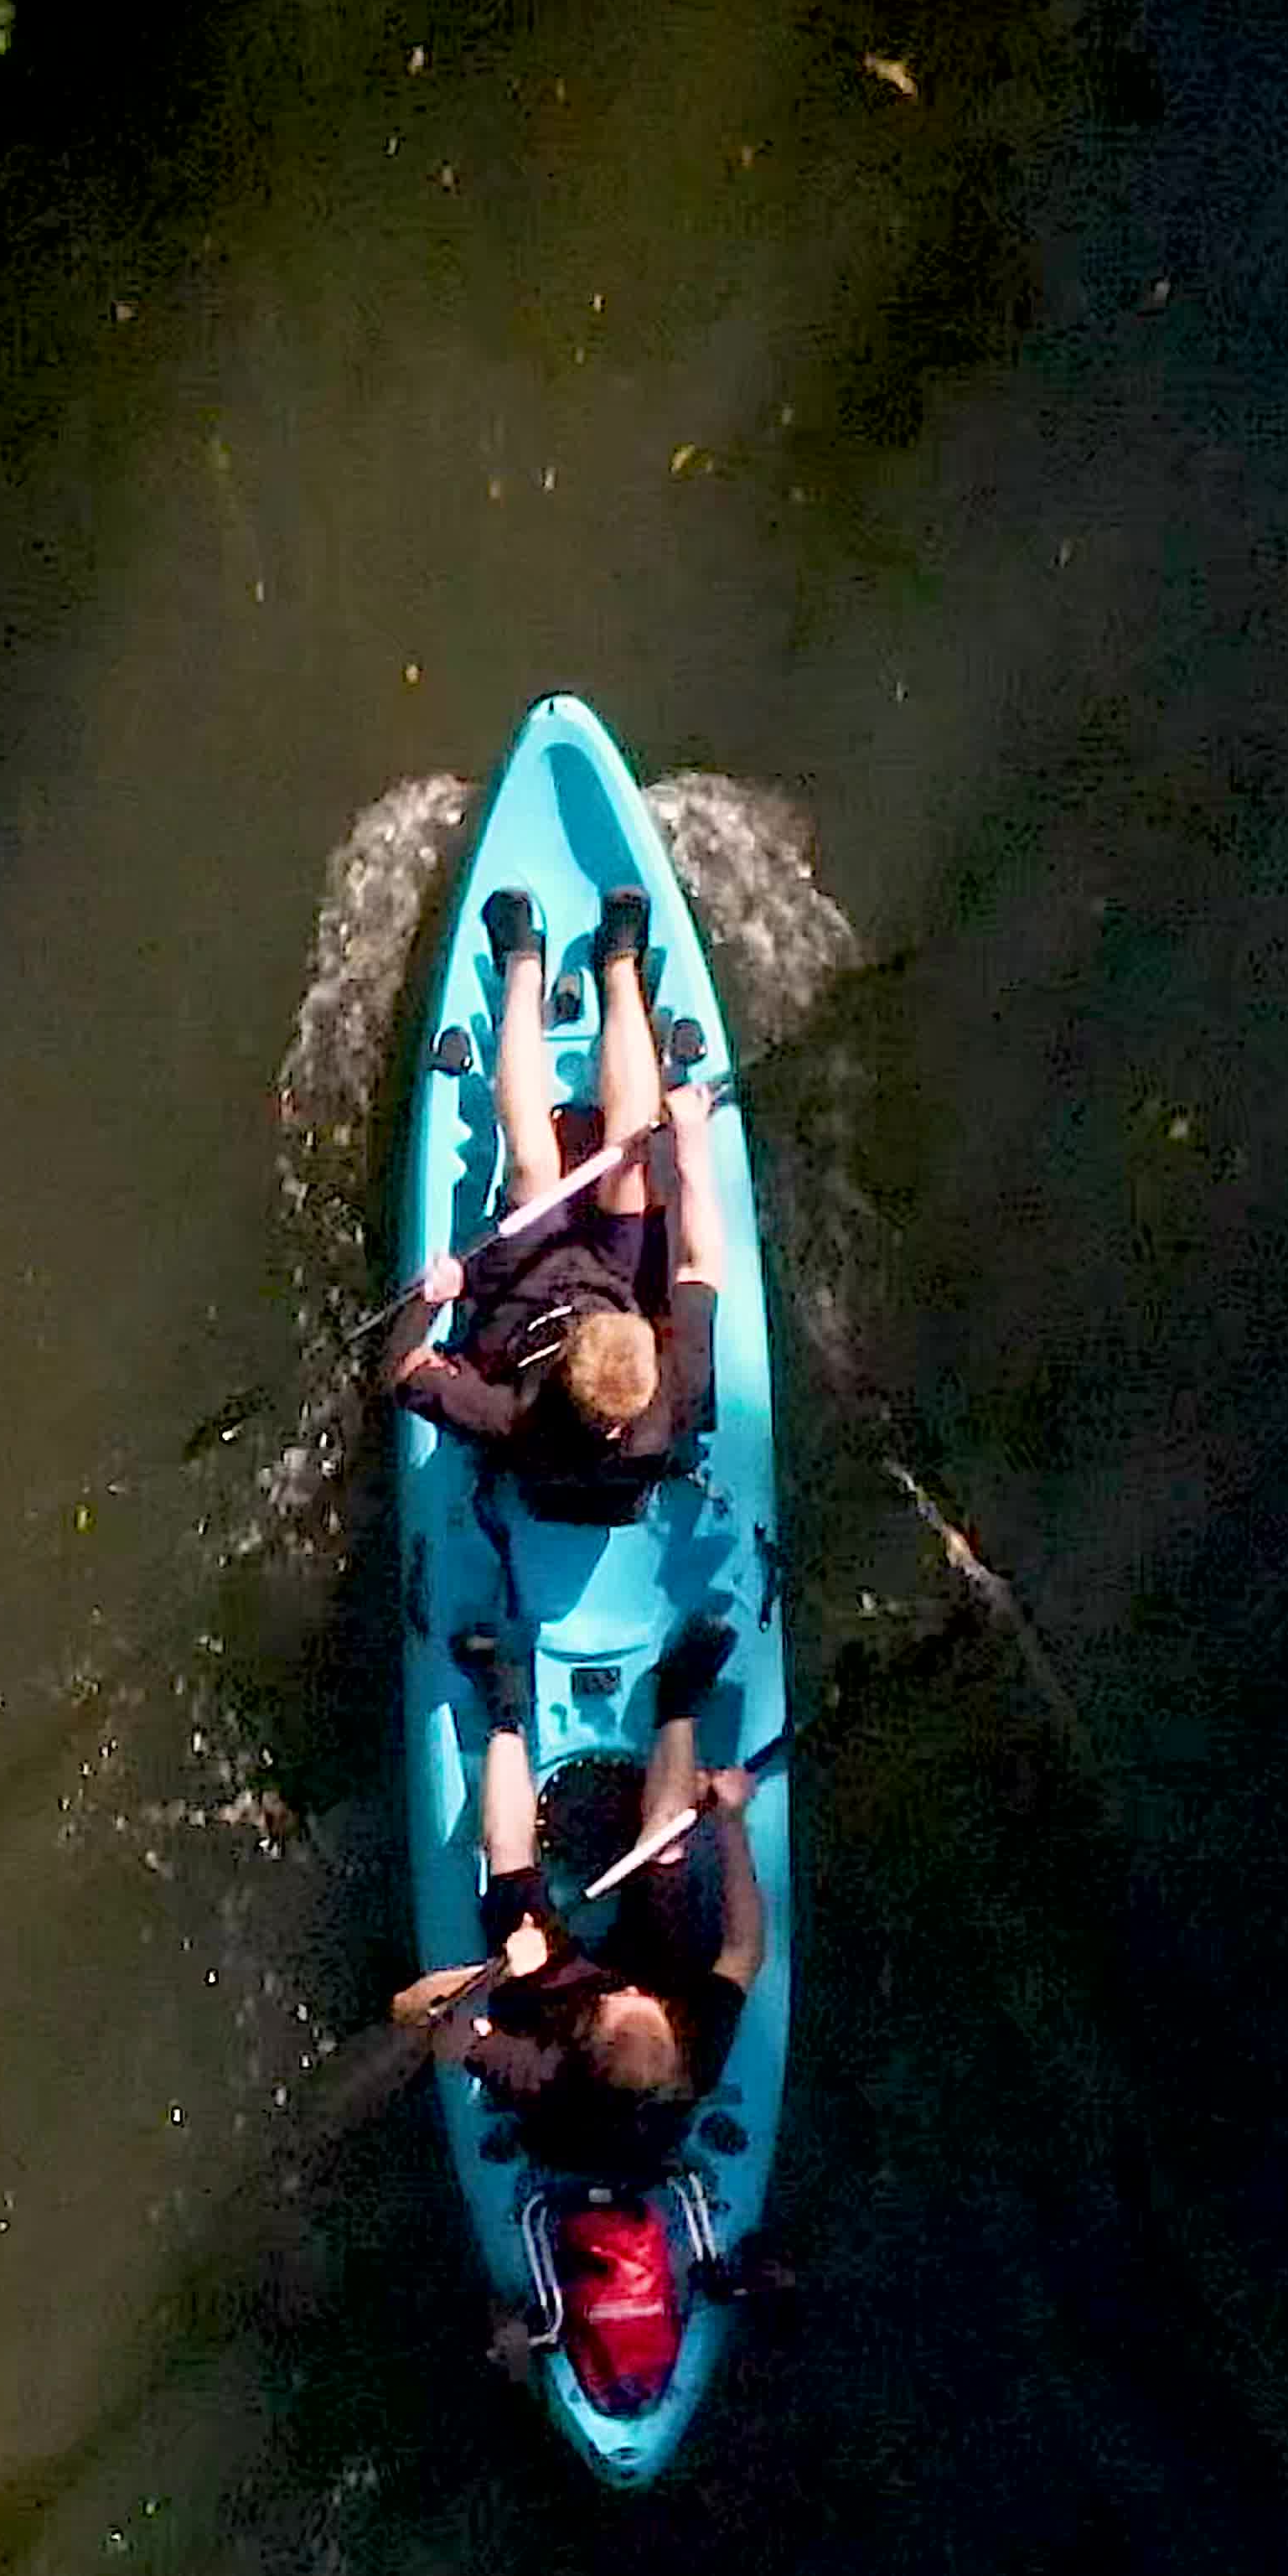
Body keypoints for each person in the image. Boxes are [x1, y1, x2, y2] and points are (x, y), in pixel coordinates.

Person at [381, 884, 725, 1523]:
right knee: (630, 1151)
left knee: (534, 1167)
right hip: (619, 1279)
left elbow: (403, 1371)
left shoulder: (518, 1419)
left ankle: (522, 963)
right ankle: (618, 966)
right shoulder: (677, 1390)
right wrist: (690, 1145)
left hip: (528, 1298)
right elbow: (699, 1258)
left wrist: (435, 1296)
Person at [389, 1611, 766, 2181]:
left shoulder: (542, 2073)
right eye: (650, 2005)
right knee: (667, 1839)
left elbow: (418, 2017)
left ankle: (506, 1709)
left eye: (625, 2001)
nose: (631, 1988)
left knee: (510, 1863)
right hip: (639, 2004)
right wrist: (732, 1821)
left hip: (555, 2010)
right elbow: (744, 1949)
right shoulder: (692, 2058)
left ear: (584, 2039)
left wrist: (498, 1972)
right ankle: (678, 1699)